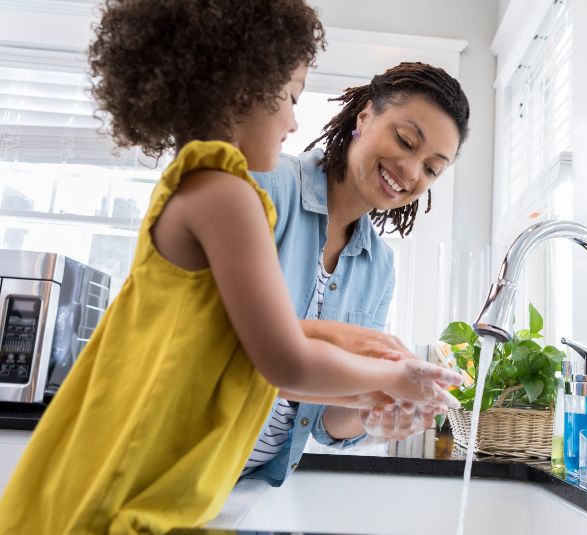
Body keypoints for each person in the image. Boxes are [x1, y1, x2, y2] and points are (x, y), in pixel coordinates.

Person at [0, 3, 460, 534]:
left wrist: (376, 399)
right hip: (138, 474)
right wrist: (395, 377)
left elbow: (235, 342)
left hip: (191, 484)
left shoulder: (210, 186)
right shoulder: (237, 193)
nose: (293, 120)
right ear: (242, 88)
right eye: (290, 98)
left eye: (432, 168)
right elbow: (279, 358)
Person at [239, 62, 470, 486]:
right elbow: (236, 341)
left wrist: (380, 411)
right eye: (405, 140)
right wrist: (374, 363)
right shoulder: (267, 187)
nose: (412, 172)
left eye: (433, 169)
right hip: (179, 458)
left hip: (244, 484)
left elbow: (326, 422)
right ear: (364, 117)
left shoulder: (379, 267)